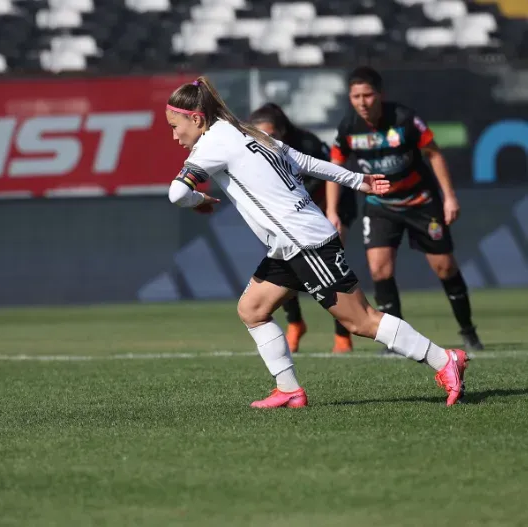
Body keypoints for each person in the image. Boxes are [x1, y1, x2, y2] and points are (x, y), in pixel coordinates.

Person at [166, 76, 468, 408]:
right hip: (291, 242)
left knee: (360, 320)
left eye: (175, 124)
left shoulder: (212, 144)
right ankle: (289, 390)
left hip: (304, 242)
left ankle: (444, 360)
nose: (174, 134)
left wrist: (199, 201)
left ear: (196, 118)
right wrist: (357, 179)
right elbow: (306, 163)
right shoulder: (249, 132)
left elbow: (177, 193)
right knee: (252, 309)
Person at [327, 66, 483, 353]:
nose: (362, 102)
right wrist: (332, 211)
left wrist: (449, 197)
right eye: (356, 96)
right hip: (380, 206)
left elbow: (434, 154)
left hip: (421, 202)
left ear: (380, 95)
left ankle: (468, 331)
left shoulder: (404, 118)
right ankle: (396, 341)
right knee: (379, 269)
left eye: (368, 95)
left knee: (444, 267)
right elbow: (334, 168)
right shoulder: (348, 127)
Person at [249, 103, 357, 354]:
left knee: (332, 269)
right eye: (259, 135)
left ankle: (343, 334)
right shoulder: (254, 152)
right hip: (293, 213)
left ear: (283, 131)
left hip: (331, 204)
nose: (266, 140)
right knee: (285, 264)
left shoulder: (306, 144)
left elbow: (327, 174)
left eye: (271, 134)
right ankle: (296, 324)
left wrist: (331, 213)